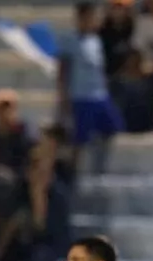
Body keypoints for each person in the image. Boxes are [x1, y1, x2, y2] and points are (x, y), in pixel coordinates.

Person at [58, 1, 125, 177]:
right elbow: (63, 70)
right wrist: (63, 97)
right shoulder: (69, 40)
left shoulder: (96, 40)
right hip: (81, 96)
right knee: (79, 139)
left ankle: (101, 168)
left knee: (112, 127)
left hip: (100, 95)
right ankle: (72, 174)